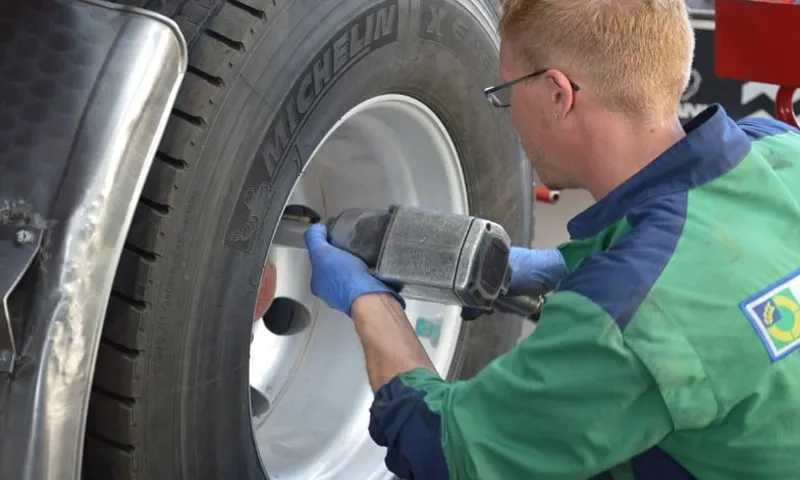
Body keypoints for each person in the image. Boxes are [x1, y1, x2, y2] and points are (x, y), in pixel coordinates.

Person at [304, 0, 800, 478]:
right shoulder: (781, 145)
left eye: (506, 91)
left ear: (558, 95)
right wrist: (570, 266)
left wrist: (371, 304)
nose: (509, 111)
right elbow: (717, 264)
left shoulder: (627, 321)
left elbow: (448, 454)